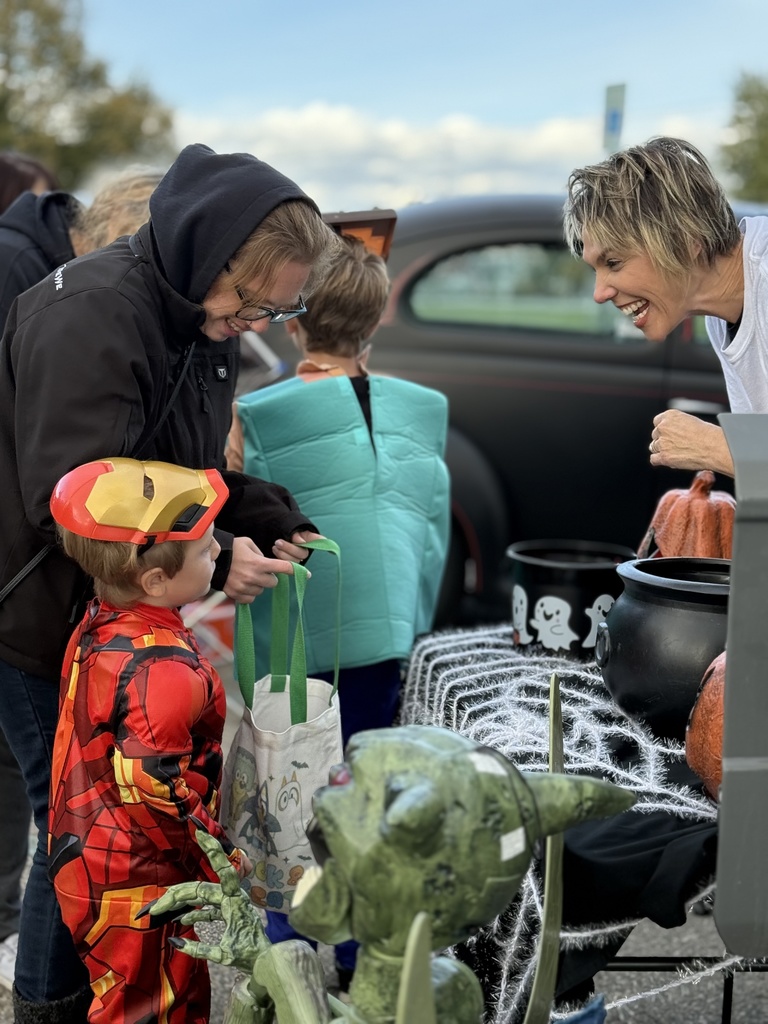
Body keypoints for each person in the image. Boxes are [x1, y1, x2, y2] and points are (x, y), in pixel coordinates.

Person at [0, 143, 338, 1023]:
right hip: (35, 611)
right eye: (251, 299)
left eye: (278, 307)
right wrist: (219, 558)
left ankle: (71, 993)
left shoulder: (195, 318)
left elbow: (177, 465)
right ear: (205, 250)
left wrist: (263, 511)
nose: (255, 320)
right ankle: (47, 1004)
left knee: (94, 821)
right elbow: (81, 497)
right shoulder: (96, 317)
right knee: (76, 824)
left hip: (110, 610)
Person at [226, 233, 451, 987]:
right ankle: (363, 955)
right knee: (367, 789)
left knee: (290, 787)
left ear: (294, 323)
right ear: (377, 320)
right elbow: (433, 530)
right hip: (388, 630)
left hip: (297, 638)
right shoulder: (426, 410)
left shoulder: (261, 414)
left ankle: (289, 942)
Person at [0, 164, 164, 997]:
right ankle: (38, 992)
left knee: (52, 802)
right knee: (57, 816)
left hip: (39, 594)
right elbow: (51, 475)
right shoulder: (42, 285)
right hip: (18, 593)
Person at [48, 457, 252, 1023]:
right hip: (140, 874)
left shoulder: (101, 623)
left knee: (133, 990)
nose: (219, 552)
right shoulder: (164, 668)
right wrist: (224, 857)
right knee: (151, 1002)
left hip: (91, 849)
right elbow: (154, 783)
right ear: (155, 580)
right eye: (208, 547)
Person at [563, 136, 757, 478]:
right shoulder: (720, 313)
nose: (600, 293)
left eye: (614, 261)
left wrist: (718, 447)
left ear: (684, 242)